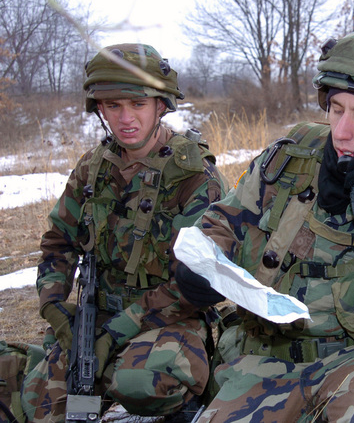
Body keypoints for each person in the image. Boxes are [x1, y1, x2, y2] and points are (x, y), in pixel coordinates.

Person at [174, 29, 354, 422]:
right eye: (336, 109)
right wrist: (203, 263)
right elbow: (225, 222)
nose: (342, 131)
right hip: (262, 361)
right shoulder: (290, 161)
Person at [20, 43, 228, 422]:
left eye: (137, 105)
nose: (125, 118)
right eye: (113, 106)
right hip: (96, 315)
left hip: (170, 318)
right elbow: (58, 243)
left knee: (142, 385)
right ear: (100, 109)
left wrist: (118, 331)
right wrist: (54, 308)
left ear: (161, 106)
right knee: (42, 406)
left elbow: (202, 278)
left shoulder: (194, 175)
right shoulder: (92, 167)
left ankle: (184, 405)